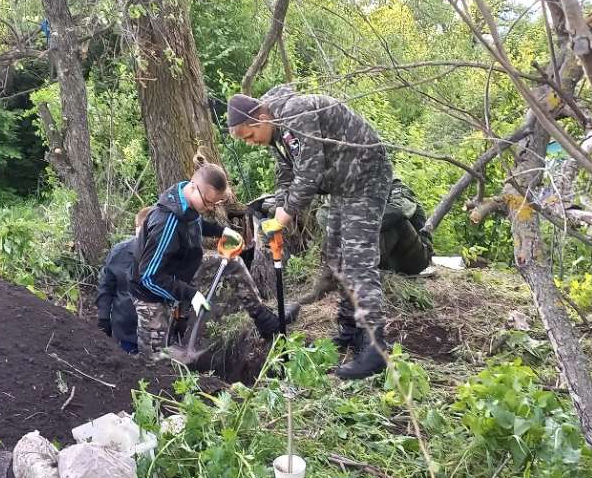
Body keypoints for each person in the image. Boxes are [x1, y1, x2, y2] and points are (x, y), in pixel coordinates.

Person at [228, 85, 392, 379]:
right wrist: (280, 209)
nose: (251, 143)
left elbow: (309, 172)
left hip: (365, 178)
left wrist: (286, 213)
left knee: (357, 262)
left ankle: (375, 348)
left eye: (250, 136)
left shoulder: (295, 113)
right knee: (337, 258)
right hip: (343, 186)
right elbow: (286, 174)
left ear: (260, 118)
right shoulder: (277, 133)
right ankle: (351, 329)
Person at [130, 163, 248, 357]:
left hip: (174, 278)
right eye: (208, 202)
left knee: (233, 266)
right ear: (193, 186)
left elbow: (195, 221)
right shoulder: (166, 223)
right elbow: (149, 277)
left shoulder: (186, 204)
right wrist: (191, 294)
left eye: (215, 204)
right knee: (154, 360)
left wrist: (220, 231)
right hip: (151, 296)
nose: (210, 208)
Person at [288, 178, 434, 323]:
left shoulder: (394, 185)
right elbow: (324, 214)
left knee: (393, 220)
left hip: (413, 257)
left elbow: (400, 209)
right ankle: (326, 282)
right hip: (387, 260)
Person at [96, 206, 154, 354]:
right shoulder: (119, 253)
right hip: (125, 331)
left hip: (158, 334)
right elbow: (106, 286)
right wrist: (103, 318)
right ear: (137, 228)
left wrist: (182, 316)